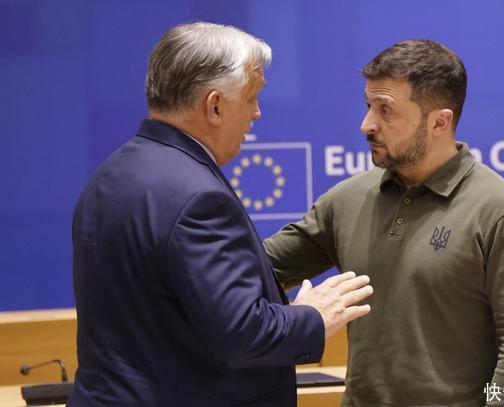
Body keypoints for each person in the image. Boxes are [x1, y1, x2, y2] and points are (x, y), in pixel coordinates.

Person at [69, 22, 372, 407]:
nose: (257, 113)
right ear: (214, 106)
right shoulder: (199, 197)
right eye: (251, 98)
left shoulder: (108, 176)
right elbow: (242, 335)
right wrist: (312, 317)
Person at [265, 39, 504, 406]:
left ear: (439, 122)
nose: (366, 124)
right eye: (369, 106)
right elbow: (255, 269)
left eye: (385, 111)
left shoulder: (502, 211)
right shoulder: (346, 200)